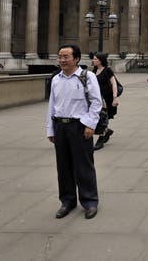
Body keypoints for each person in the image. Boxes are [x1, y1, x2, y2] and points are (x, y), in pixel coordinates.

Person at [46, 44, 100, 219]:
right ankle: (67, 201)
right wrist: (50, 129)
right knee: (63, 166)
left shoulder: (87, 76)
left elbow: (96, 102)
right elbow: (52, 106)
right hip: (60, 126)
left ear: (76, 59)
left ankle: (90, 201)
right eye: (60, 56)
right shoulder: (56, 79)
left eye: (66, 56)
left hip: (79, 126)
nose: (62, 60)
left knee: (83, 166)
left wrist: (90, 124)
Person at [91, 53, 118, 151]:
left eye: (95, 59)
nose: (93, 60)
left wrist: (115, 98)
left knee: (103, 118)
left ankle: (101, 140)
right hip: (96, 99)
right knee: (97, 118)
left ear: (100, 60)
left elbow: (114, 84)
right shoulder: (94, 71)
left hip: (106, 99)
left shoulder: (107, 70)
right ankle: (107, 132)